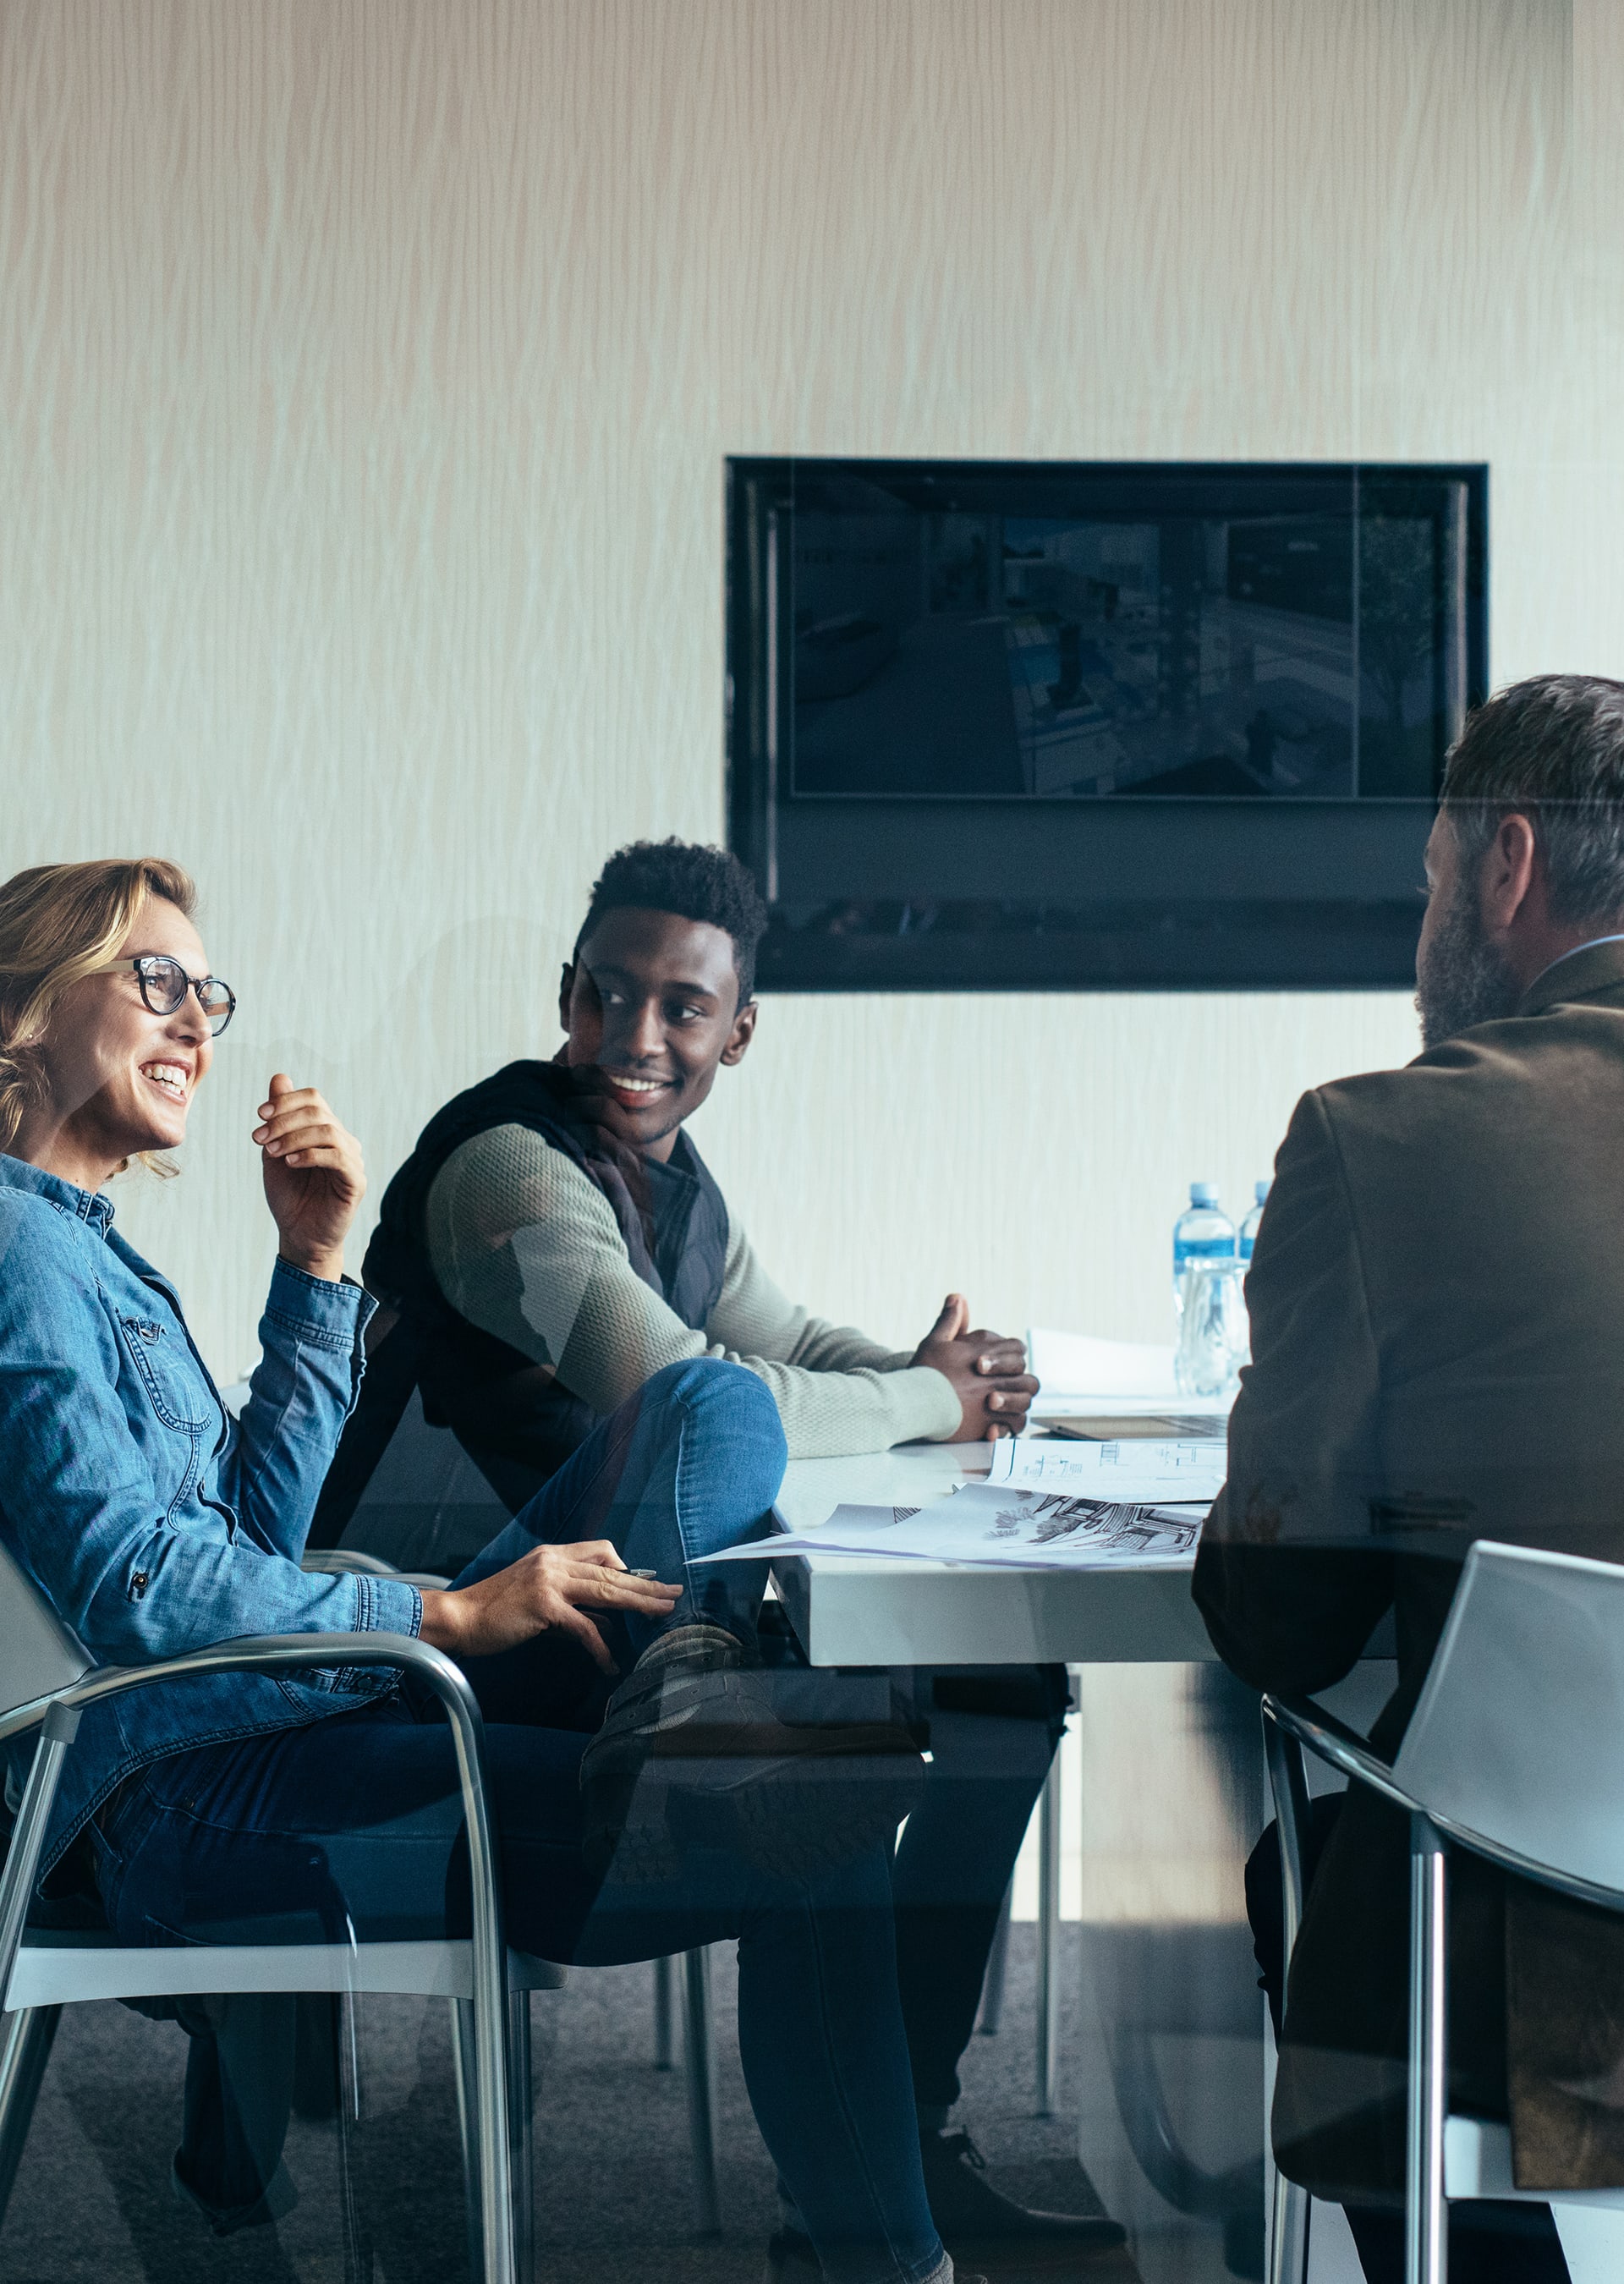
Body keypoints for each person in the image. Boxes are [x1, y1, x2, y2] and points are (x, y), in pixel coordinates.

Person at [0, 855, 968, 2284]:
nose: (198, 1021)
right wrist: (443, 1610)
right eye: (156, 981)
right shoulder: (20, 1250)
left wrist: (315, 1267)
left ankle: (689, 1697)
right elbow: (139, 1590)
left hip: (271, 1726)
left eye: (206, 991)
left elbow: (244, 1548)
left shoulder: (84, 1253)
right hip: (195, 1806)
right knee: (796, 1815)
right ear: (20, 1005)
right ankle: (898, 2266)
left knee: (711, 1415)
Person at [318, 838, 1126, 2266]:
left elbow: (790, 1342)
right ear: (565, 995)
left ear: (737, 1031)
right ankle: (879, 2218)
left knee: (998, 1683)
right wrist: (922, 1403)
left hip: (606, 1628)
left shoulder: (678, 1179)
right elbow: (689, 1385)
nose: (638, 1037)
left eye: (682, 1008)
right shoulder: (509, 1167)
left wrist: (942, 1383)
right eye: (608, 997)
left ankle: (906, 2151)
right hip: (439, 1643)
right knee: (714, 1469)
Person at [1192, 673, 1624, 2284]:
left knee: (1311, 1854)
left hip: (1527, 1994)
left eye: (1433, 876)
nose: (1425, 916)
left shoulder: (1379, 1139)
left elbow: (1282, 1618)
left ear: (1507, 864)